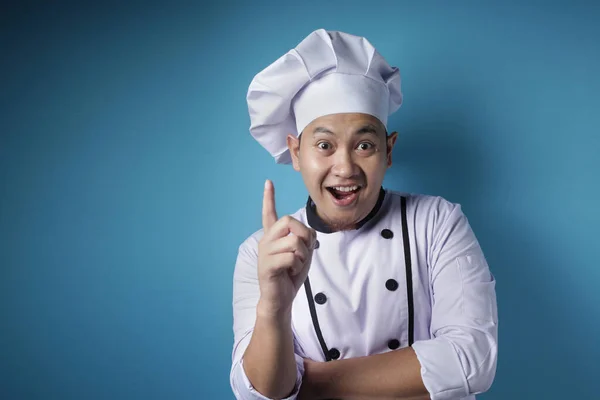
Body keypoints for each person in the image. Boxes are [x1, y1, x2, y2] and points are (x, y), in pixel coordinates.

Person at [230, 29, 498, 400]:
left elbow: (472, 360)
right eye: (324, 145)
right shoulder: (261, 252)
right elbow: (257, 393)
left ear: (388, 151)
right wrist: (273, 307)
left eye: (365, 145)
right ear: (295, 153)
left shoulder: (437, 222)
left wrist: (310, 382)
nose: (345, 167)